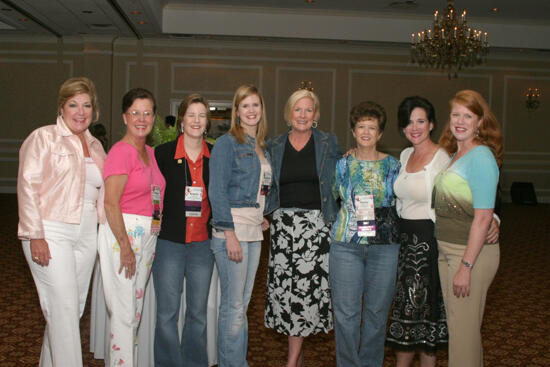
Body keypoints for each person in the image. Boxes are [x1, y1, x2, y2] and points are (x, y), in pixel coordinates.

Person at [17, 77, 106, 366]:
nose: (80, 112)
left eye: (87, 105)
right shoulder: (43, 138)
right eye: (73, 105)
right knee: (64, 309)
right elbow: (28, 186)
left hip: (87, 232)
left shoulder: (96, 148)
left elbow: (103, 196)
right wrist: (35, 235)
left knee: (69, 310)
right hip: (51, 230)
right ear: (61, 107)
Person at [264, 89, 342, 367]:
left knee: (308, 294)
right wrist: (262, 214)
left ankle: (291, 361)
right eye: (298, 110)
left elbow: (340, 179)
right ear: (289, 113)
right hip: (283, 230)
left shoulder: (328, 142)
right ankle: (297, 358)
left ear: (316, 115)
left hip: (317, 229)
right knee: (287, 295)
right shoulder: (273, 145)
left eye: (309, 110)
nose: (303, 115)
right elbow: (263, 185)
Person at [433, 90, 503, 367]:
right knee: (462, 333)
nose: (460, 121)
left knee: (462, 336)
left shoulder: (481, 156)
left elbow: (484, 216)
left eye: (468, 116)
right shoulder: (455, 155)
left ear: (480, 122)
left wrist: (466, 265)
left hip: (469, 255)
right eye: (456, 115)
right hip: (448, 250)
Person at [330, 101, 401, 367]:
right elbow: (336, 196)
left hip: (385, 247)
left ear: (380, 134)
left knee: (376, 313)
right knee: (346, 314)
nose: (367, 132)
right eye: (361, 126)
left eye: (372, 127)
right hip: (346, 246)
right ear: (353, 130)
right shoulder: (342, 165)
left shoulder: (394, 166)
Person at [98, 87, 166, 367]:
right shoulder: (120, 151)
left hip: (147, 238)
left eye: (147, 113)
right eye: (135, 112)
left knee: (134, 310)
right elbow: (111, 204)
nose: (142, 118)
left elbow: (156, 195)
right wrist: (125, 246)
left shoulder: (149, 151)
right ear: (125, 116)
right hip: (122, 235)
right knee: (125, 312)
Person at [208, 84, 271, 367]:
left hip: (254, 231)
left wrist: (262, 213)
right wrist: (229, 234)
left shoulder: (262, 146)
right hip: (231, 232)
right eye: (244, 105)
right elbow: (217, 191)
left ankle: (237, 362)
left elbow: (259, 188)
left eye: (255, 105)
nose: (250, 111)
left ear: (261, 109)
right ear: (236, 111)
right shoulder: (227, 143)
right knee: (233, 307)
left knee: (242, 306)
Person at [385, 96, 450, 366]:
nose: (415, 127)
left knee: (423, 316)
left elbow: (453, 205)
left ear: (431, 124)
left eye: (420, 121)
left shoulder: (442, 158)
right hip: (403, 239)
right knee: (404, 312)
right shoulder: (405, 155)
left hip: (428, 241)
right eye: (409, 122)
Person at [152, 94, 214, 367]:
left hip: (203, 245)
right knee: (167, 313)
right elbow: (153, 196)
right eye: (191, 115)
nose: (196, 121)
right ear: (181, 120)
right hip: (169, 243)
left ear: (208, 122)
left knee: (198, 314)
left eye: (202, 115)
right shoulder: (163, 154)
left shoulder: (216, 155)